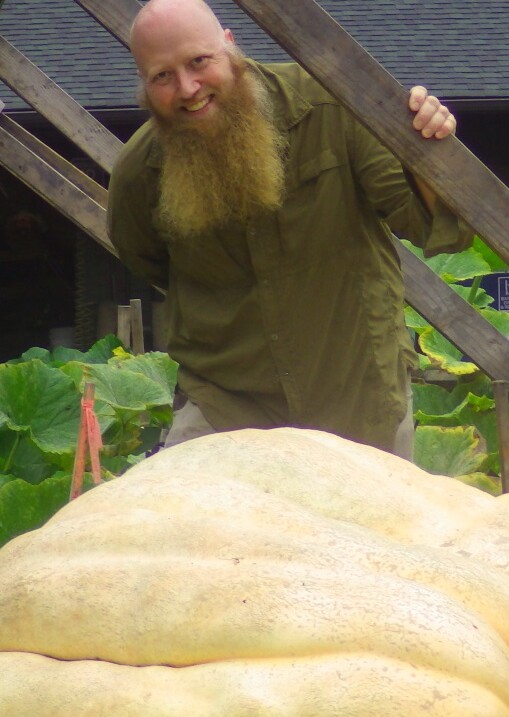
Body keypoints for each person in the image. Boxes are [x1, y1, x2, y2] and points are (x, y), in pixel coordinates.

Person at [107, 0, 471, 458]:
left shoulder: (334, 106)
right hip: (224, 407)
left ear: (230, 47)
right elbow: (147, 260)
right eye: (162, 76)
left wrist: (432, 153)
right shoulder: (138, 174)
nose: (188, 88)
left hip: (359, 397)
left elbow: (433, 227)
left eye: (199, 62)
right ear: (144, 83)